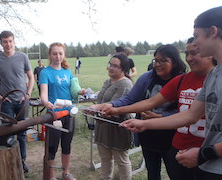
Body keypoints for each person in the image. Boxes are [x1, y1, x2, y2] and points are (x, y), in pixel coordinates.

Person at [121, 6, 222, 179]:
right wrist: (144, 124)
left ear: (213, 32)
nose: (195, 42)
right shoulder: (214, 74)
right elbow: (190, 115)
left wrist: (203, 154)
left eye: (197, 36)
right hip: (210, 167)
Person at [100, 38, 216, 180]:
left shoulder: (214, 79)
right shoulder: (181, 80)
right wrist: (115, 108)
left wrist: (154, 118)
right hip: (177, 147)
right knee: (154, 171)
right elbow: (151, 102)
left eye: (194, 53)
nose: (189, 58)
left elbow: (187, 115)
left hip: (204, 151)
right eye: (187, 54)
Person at [92, 44, 187, 180]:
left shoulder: (182, 81)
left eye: (163, 61)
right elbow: (130, 99)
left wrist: (159, 116)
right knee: (152, 172)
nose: (158, 64)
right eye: (156, 61)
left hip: (172, 138)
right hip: (147, 135)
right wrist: (111, 105)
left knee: (175, 173)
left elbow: (186, 113)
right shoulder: (147, 78)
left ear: (174, 61)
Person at [0, 30, 34, 173]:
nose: (8, 44)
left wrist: (27, 94)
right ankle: (8, 161)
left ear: (14, 41)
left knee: (21, 132)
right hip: (6, 101)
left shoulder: (23, 57)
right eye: (5, 41)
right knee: (7, 132)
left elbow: (31, 77)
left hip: (22, 100)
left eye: (10, 41)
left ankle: (22, 162)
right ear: (1, 43)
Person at [39, 42, 85, 180]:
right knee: (52, 146)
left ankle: (65, 173)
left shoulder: (67, 71)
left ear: (63, 55)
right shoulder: (45, 72)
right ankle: (51, 176)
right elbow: (43, 92)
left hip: (70, 113)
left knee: (67, 144)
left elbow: (74, 88)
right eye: (54, 53)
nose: (57, 56)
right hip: (54, 114)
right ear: (50, 55)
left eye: (60, 53)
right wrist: (46, 102)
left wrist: (80, 91)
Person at [95, 54, 133, 180]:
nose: (111, 68)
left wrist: (94, 108)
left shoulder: (125, 84)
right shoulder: (108, 81)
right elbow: (100, 100)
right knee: (105, 158)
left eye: (115, 66)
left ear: (124, 69)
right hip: (102, 125)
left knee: (121, 160)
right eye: (110, 64)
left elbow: (113, 107)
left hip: (118, 127)